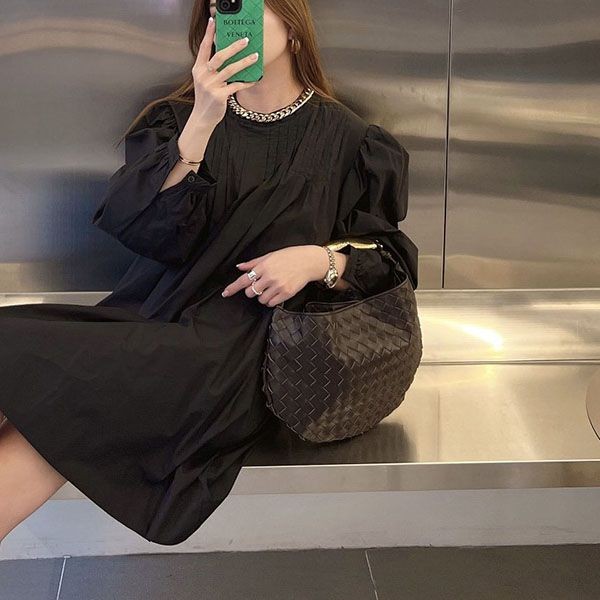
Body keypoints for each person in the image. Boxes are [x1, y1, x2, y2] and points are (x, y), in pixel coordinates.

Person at [0, 0, 418, 546]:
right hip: (153, 318)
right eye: (223, 9)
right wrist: (201, 121)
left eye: (249, 7)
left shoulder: (353, 142)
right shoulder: (178, 121)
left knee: (50, 408)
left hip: (249, 349)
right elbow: (144, 233)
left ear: (293, 26)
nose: (233, 23)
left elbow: (390, 263)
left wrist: (319, 260)